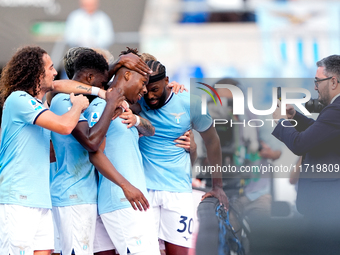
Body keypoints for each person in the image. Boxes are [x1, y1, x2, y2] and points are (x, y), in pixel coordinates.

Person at [50, 49, 149, 255]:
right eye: (103, 83)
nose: (105, 88)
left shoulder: (85, 102)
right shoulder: (64, 100)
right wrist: (110, 101)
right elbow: (92, 144)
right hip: (72, 195)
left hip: (89, 196)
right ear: (89, 78)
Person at [0, 46, 89, 255]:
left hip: (40, 199)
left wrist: (102, 93)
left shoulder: (41, 104)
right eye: (50, 68)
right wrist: (77, 106)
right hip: (17, 199)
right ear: (37, 73)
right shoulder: (19, 99)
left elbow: (62, 84)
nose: (55, 72)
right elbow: (66, 126)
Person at [136, 58, 228, 255]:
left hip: (177, 192)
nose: (150, 96)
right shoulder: (136, 99)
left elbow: (213, 141)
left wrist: (217, 186)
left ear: (167, 81)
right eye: (146, 90)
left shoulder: (190, 102)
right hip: (143, 191)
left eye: (155, 90)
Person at [86, 48, 160, 255]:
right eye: (143, 83)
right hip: (121, 200)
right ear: (127, 74)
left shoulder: (125, 107)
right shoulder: (101, 106)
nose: (145, 90)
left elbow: (150, 130)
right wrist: (126, 187)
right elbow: (94, 152)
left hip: (134, 200)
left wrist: (136, 120)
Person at [272, 54, 340, 254]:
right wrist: (296, 117)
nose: (316, 87)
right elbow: (322, 131)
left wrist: (280, 121)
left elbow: (300, 144)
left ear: (334, 81)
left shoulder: (335, 109)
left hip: (326, 210)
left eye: (318, 81)